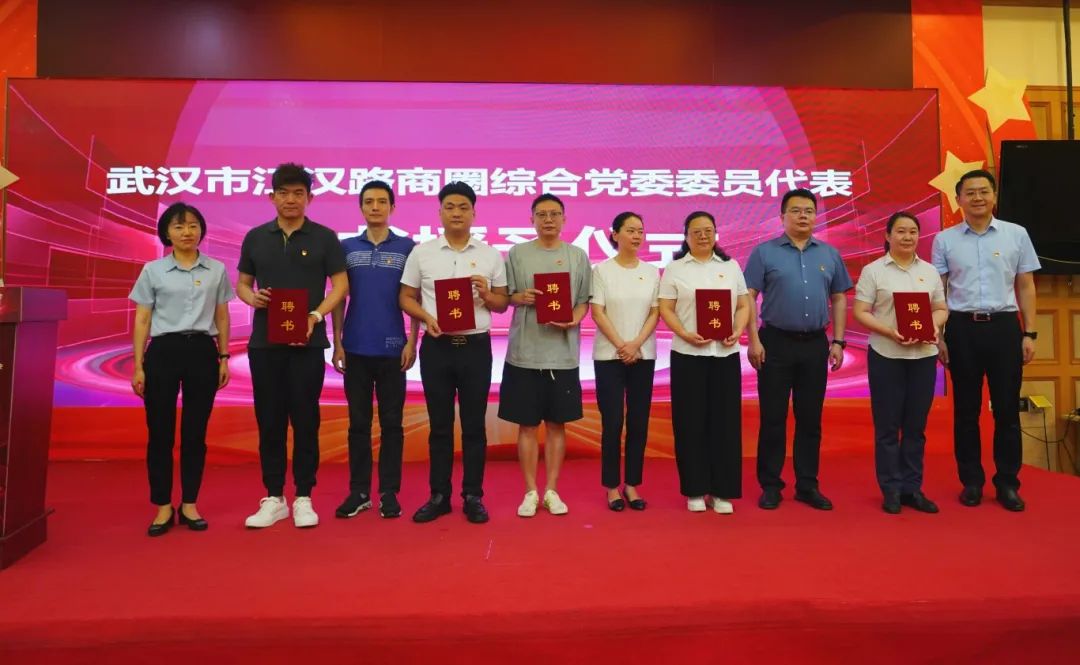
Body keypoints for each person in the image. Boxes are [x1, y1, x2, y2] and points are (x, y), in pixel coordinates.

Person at [237, 163, 348, 529]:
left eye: (298, 193)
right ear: (272, 197)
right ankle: (273, 497)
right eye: (283, 193)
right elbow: (243, 284)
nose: (290, 199)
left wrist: (315, 315)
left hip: (308, 342)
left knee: (305, 419)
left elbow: (341, 286)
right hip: (264, 343)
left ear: (309, 198)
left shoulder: (324, 238)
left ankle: (303, 496)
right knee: (269, 420)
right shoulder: (256, 237)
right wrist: (252, 298)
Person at [399, 181, 509, 524]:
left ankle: (473, 495)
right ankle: (439, 495)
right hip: (438, 348)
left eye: (463, 207)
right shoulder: (423, 252)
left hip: (476, 348)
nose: (457, 213)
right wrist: (426, 317)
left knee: (475, 426)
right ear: (440, 212)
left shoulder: (490, 254)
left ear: (474, 212)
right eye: (450, 207)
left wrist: (487, 294)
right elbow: (405, 297)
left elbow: (502, 303)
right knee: (440, 426)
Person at [932, 169, 1040, 512]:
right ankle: (972, 482)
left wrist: (1029, 332)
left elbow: (1026, 285)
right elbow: (938, 291)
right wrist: (939, 337)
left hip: (1004, 328)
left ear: (994, 196)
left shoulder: (1016, 234)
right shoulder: (944, 240)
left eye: (983, 191)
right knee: (966, 411)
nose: (977, 198)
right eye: (970, 192)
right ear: (958, 199)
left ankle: (1007, 483)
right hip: (961, 328)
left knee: (1007, 410)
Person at [745, 188, 853, 511]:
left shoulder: (829, 254)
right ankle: (771, 485)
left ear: (816, 216)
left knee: (810, 419)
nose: (803, 215)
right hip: (775, 343)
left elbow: (839, 298)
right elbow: (748, 297)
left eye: (809, 210)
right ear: (782, 216)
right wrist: (753, 340)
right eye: (795, 210)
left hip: (815, 345)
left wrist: (838, 341)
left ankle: (807, 485)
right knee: (773, 418)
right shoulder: (764, 253)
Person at [129, 202, 233, 536]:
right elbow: (142, 319)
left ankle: (189, 503)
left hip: (202, 351)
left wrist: (223, 357)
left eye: (192, 225)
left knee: (195, 432)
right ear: (166, 233)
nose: (187, 232)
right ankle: (162, 505)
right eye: (178, 226)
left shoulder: (216, 269)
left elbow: (221, 316)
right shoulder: (153, 270)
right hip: (162, 352)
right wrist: (138, 365)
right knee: (159, 432)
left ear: (201, 230)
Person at [331, 180, 418, 520]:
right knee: (358, 424)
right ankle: (359, 491)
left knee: (392, 424)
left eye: (382, 201)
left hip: (394, 348)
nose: (375, 207)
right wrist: (338, 341)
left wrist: (413, 340)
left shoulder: (407, 247)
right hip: (355, 347)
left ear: (392, 207)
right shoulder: (347, 248)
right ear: (361, 207)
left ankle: (389, 492)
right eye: (369, 202)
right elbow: (339, 297)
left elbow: (413, 297)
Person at [500, 193, 591, 518]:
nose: (548, 219)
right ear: (532, 219)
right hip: (524, 353)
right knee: (526, 425)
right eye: (541, 214)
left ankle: (551, 490)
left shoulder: (577, 256)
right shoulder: (517, 253)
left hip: (562, 354)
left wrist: (574, 319)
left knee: (556, 424)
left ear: (564, 219)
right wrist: (519, 297)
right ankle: (530, 491)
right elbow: (505, 296)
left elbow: (583, 300)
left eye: (554, 214)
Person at [852, 212, 947, 514]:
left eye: (913, 232)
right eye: (901, 231)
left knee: (916, 427)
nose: (907, 237)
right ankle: (891, 489)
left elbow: (941, 307)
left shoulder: (929, 271)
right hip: (886, 355)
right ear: (888, 236)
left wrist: (933, 326)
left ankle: (912, 488)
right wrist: (889, 332)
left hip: (923, 357)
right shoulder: (873, 271)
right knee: (888, 427)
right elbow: (861, 311)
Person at [658, 212, 749, 513]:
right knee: (690, 423)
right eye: (696, 231)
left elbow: (743, 304)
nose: (703, 236)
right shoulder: (675, 268)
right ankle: (695, 489)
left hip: (724, 354)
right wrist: (683, 332)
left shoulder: (730, 266)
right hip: (688, 354)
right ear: (686, 236)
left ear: (715, 234)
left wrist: (737, 329)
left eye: (708, 230)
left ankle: (722, 491)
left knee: (725, 423)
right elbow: (666, 307)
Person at [590, 212, 660, 511]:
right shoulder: (601, 271)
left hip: (643, 355)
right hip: (609, 356)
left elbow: (655, 312)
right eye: (630, 230)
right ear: (615, 234)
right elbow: (597, 312)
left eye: (640, 231)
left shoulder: (652, 272)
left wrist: (635, 344)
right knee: (613, 421)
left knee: (638, 421)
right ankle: (611, 487)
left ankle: (632, 484)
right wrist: (622, 345)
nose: (636, 236)